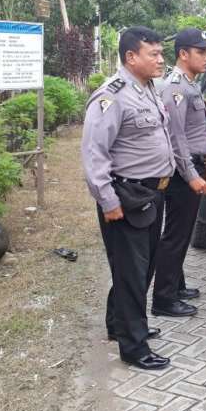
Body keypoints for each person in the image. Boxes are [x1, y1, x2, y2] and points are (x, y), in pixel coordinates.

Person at [82, 26, 175, 370]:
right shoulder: (113, 95)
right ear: (131, 57)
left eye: (161, 53)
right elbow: (94, 154)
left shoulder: (148, 89)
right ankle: (133, 347)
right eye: (154, 54)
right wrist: (108, 202)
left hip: (152, 193)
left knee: (141, 267)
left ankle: (119, 324)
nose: (160, 59)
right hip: (127, 195)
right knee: (132, 273)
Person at [152, 28, 206, 316]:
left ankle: (175, 285)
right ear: (183, 54)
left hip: (192, 163)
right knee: (176, 235)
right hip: (183, 168)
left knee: (180, 231)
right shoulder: (176, 87)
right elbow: (175, 135)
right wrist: (191, 174)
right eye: (201, 52)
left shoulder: (190, 84)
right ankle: (164, 300)